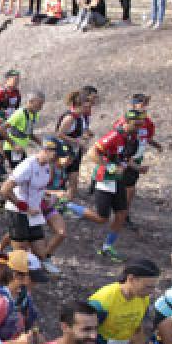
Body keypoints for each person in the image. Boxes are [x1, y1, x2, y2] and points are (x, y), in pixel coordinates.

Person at [67, 112, 145, 261]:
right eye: (136, 124)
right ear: (126, 122)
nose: (139, 128)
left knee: (121, 214)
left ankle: (107, 247)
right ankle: (68, 206)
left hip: (118, 180)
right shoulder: (115, 135)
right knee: (102, 218)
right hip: (105, 180)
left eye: (140, 125)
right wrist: (109, 167)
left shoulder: (132, 137)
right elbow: (92, 153)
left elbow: (124, 158)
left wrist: (137, 168)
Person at [0, 137, 62, 272]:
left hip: (34, 212)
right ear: (46, 150)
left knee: (41, 252)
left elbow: (37, 187)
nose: (58, 159)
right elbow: (4, 189)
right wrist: (24, 207)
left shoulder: (46, 165)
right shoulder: (27, 166)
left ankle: (7, 258)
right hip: (18, 212)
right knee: (20, 253)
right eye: (57, 155)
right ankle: (1, 264)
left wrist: (45, 198)